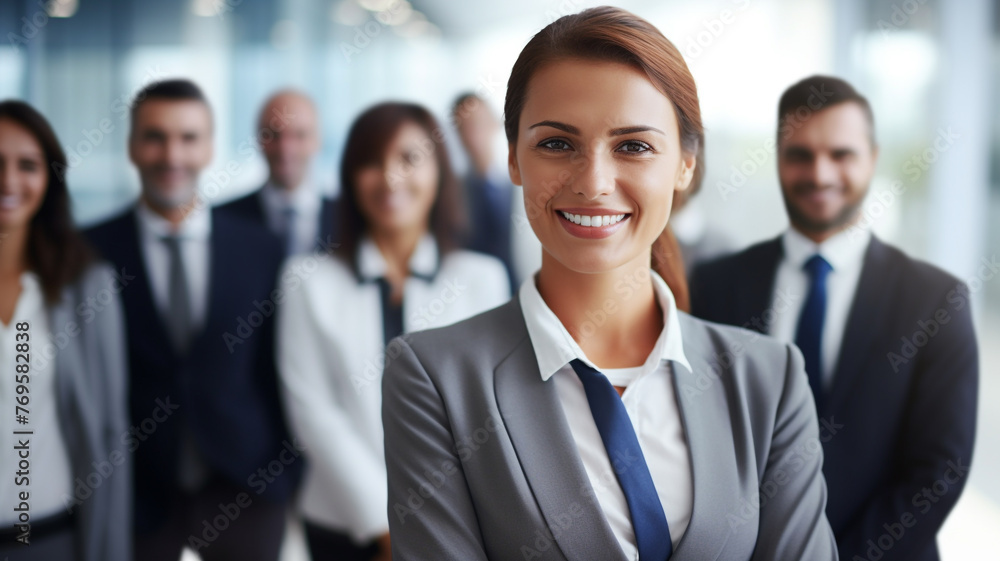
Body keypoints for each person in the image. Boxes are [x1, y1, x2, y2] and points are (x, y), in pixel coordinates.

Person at [382, 7, 838, 561]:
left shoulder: (767, 378)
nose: (594, 183)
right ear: (513, 159)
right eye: (556, 143)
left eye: (634, 146)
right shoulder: (435, 378)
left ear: (685, 166)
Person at [690, 76, 978, 561]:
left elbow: (939, 470)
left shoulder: (936, 300)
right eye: (800, 154)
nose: (820, 173)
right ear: (778, 158)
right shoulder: (715, 284)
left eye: (841, 154)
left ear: (873, 158)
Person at [276, 101, 509, 561]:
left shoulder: (481, 279)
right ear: (348, 177)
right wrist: (385, 527)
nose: (390, 178)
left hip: (455, 524)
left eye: (409, 159)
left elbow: (487, 414)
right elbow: (314, 413)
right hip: (344, 525)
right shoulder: (306, 280)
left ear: (439, 172)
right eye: (370, 162)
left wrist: (433, 517)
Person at [84, 79, 302, 561]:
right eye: (155, 136)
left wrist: (287, 474)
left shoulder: (260, 247)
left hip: (247, 488)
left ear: (209, 147)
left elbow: (280, 371)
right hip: (139, 496)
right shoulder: (91, 250)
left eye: (188, 137)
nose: (171, 154)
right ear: (132, 147)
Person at [0, 100, 130, 561]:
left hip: (54, 538)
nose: (9, 181)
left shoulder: (86, 286)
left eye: (28, 165)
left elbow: (110, 430)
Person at [217, 89, 338, 257]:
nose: (285, 148)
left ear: (317, 141)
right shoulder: (222, 221)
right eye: (274, 135)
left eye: (299, 135)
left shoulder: (347, 219)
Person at [452, 92, 540, 292]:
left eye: (478, 124)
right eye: (464, 127)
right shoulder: (452, 193)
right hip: (475, 295)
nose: (473, 134)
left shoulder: (524, 185)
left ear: (495, 124)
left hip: (522, 291)